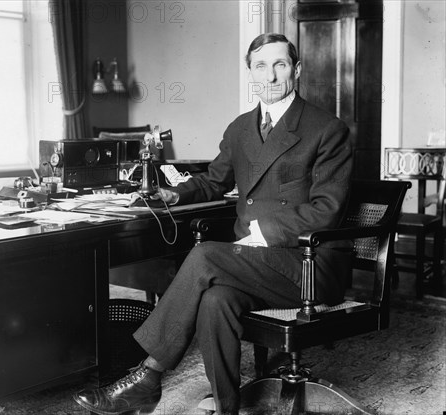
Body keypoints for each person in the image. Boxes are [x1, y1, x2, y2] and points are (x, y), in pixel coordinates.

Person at [73, 33, 353, 415]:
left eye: (280, 65)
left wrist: (261, 232)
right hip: (254, 265)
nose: (270, 76)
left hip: (307, 266)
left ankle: (148, 377)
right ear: (250, 73)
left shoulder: (326, 129)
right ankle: (227, 406)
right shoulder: (239, 129)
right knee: (213, 300)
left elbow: (327, 210)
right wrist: (176, 195)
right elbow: (214, 180)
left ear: (297, 70)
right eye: (260, 66)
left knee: (205, 257)